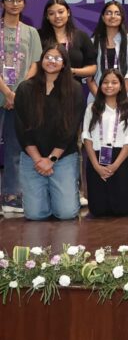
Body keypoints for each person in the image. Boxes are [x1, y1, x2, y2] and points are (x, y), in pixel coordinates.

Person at [13, 45, 84, 220]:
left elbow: (70, 129)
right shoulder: (25, 88)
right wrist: (38, 160)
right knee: (35, 215)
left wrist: (51, 160)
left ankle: (65, 194)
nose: (52, 61)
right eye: (48, 57)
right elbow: (21, 128)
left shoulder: (74, 89)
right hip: (32, 157)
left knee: (66, 213)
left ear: (64, 63)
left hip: (63, 156)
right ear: (41, 60)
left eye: (57, 58)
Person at [2, 0, 42, 213]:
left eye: (18, 0)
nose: (14, 4)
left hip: (21, 98)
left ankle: (11, 196)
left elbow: (35, 64)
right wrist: (7, 92)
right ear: (2, 3)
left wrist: (17, 92)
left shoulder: (31, 32)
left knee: (15, 148)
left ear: (24, 3)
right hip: (5, 94)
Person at [81, 69, 128, 217]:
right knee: (98, 210)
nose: (109, 86)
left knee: (123, 210)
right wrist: (96, 166)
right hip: (97, 156)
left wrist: (115, 166)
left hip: (121, 157)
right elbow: (87, 137)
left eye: (114, 82)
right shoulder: (92, 108)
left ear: (121, 86)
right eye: (105, 82)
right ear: (100, 85)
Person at [37, 0, 96, 86]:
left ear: (68, 12)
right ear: (47, 16)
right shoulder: (38, 35)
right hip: (43, 88)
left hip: (73, 89)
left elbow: (92, 68)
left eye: (61, 12)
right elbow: (33, 64)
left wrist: (72, 71)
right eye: (51, 13)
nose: (57, 16)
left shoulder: (81, 36)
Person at [88, 1, 128, 98]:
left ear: (122, 18)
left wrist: (118, 97)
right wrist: (100, 98)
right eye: (109, 13)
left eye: (117, 13)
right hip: (97, 98)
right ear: (103, 17)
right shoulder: (93, 42)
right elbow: (89, 76)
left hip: (126, 97)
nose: (113, 16)